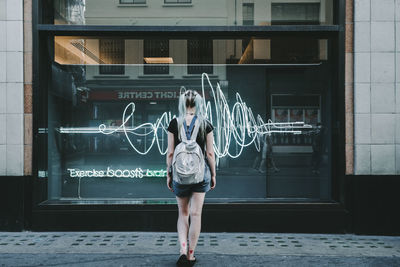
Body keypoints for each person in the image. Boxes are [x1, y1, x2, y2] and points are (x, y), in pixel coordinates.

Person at [166, 90, 216, 266]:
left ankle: (182, 250)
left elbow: (171, 152)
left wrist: (169, 173)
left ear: (182, 104)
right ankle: (191, 255)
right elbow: (209, 153)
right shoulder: (206, 124)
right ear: (198, 104)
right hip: (201, 174)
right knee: (196, 214)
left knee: (183, 213)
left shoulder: (174, 123)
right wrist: (213, 174)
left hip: (180, 175)